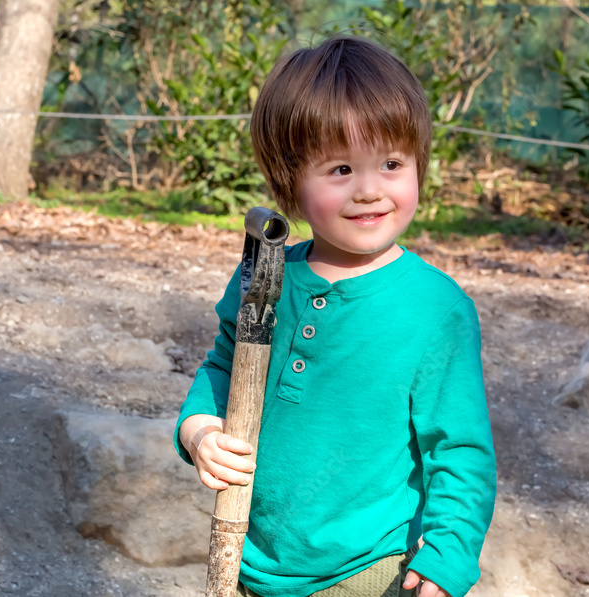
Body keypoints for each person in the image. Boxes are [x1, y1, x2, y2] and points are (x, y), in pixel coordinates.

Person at [174, 36, 497, 597]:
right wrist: (199, 430)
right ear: (289, 180)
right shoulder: (266, 275)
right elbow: (222, 366)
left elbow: (460, 449)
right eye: (341, 168)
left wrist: (448, 554)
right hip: (249, 550)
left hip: (367, 568)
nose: (370, 190)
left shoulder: (435, 310)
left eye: (392, 163)